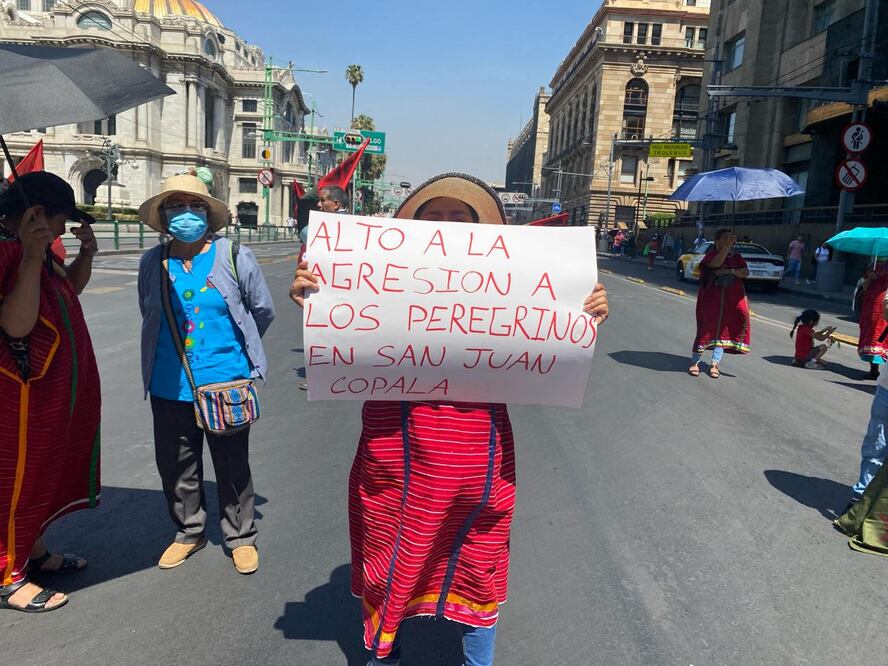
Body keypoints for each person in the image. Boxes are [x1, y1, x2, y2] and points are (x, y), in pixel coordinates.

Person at [290, 173, 609, 666]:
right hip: (392, 447)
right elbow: (344, 326)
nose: (445, 229)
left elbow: (548, 341)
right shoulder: (367, 268)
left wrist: (580, 312)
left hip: (476, 453)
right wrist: (314, 296)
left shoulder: (514, 281)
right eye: (432, 218)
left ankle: (477, 660)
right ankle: (383, 653)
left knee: (479, 557)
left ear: (482, 231)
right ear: (412, 227)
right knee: (388, 553)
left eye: (459, 219)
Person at [137, 174, 275, 574]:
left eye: (196, 206)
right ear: (164, 216)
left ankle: (240, 536)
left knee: (232, 465)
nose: (187, 213)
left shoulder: (234, 256)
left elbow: (262, 312)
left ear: (209, 215)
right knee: (176, 464)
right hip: (168, 382)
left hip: (225, 381)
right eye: (176, 206)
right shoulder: (152, 262)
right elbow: (149, 315)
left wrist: (237, 353)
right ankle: (189, 532)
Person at [0, 172, 100, 613]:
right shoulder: (10, 252)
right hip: (19, 400)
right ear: (37, 214)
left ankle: (32, 550)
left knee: (39, 475)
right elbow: (17, 325)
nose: (64, 229)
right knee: (15, 481)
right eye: (62, 220)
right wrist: (29, 257)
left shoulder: (37, 251)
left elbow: (67, 289)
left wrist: (86, 253)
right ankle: (8, 574)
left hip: (48, 398)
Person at [689, 228, 751, 378]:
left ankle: (715, 364)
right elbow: (715, 264)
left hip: (732, 299)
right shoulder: (711, 255)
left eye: (730, 238)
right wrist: (725, 249)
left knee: (724, 331)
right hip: (711, 300)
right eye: (724, 238)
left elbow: (745, 272)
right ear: (716, 241)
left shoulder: (737, 257)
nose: (728, 240)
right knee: (706, 328)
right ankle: (695, 361)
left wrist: (730, 271)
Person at [857, 258, 888, 380]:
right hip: (871, 304)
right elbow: (864, 286)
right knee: (872, 333)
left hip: (884, 301)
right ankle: (874, 369)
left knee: (881, 333)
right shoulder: (873, 266)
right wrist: (870, 277)